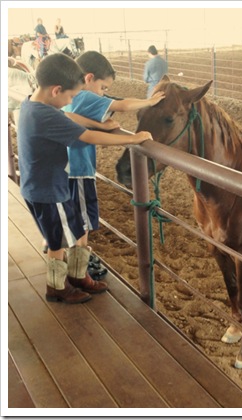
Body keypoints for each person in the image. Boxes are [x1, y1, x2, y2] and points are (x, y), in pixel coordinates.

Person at [17, 53, 154, 304]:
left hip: (39, 186)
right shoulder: (45, 115)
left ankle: (77, 276)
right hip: (49, 190)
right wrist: (131, 139)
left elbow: (69, 117)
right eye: (70, 97)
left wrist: (99, 125)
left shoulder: (31, 105)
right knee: (57, 241)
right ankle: (56, 287)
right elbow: (87, 137)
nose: (71, 102)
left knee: (75, 228)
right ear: (57, 90)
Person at [62, 50, 165, 279]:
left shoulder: (68, 97)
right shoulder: (85, 97)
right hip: (78, 169)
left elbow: (73, 120)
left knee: (71, 215)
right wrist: (150, 101)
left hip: (64, 168)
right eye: (103, 88)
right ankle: (80, 268)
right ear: (89, 78)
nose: (104, 93)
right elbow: (123, 105)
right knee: (83, 220)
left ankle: (68, 255)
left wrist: (98, 125)